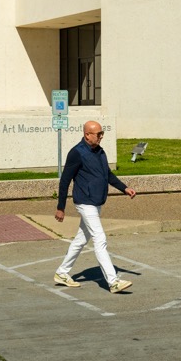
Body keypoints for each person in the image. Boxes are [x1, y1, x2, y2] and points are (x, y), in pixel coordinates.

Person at [53, 120, 137, 293]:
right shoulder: (76, 153)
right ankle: (113, 281)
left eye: (102, 133)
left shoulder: (100, 151)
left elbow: (107, 174)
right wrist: (61, 207)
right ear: (87, 135)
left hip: (96, 201)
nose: (101, 137)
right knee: (100, 239)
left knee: (81, 240)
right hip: (85, 202)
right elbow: (65, 181)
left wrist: (124, 188)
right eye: (98, 134)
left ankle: (62, 273)